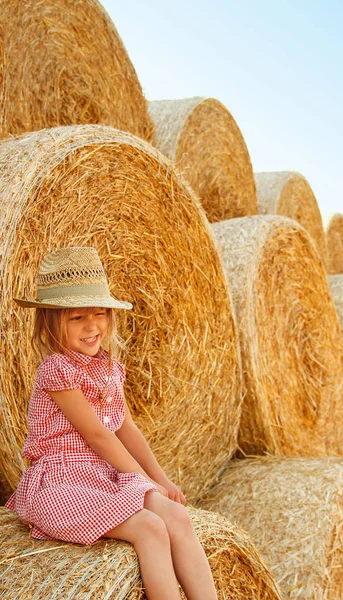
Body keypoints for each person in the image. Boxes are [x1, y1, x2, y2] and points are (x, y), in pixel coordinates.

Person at [6, 246, 218, 600]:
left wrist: (160, 479)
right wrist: (142, 479)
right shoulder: (57, 368)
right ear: (50, 321)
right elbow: (97, 434)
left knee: (178, 518)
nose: (92, 326)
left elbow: (125, 428)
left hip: (106, 477)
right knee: (150, 528)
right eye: (76, 318)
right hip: (61, 483)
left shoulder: (108, 368)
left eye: (100, 313)